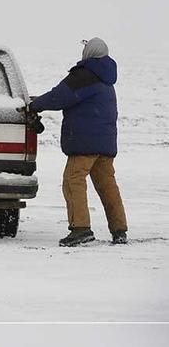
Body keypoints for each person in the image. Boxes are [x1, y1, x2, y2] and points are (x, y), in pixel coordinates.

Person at [31, 37, 128, 246]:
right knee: (107, 185)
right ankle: (119, 230)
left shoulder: (84, 75)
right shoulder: (106, 78)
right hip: (105, 143)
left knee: (72, 180)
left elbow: (59, 96)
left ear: (89, 52)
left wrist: (35, 105)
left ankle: (80, 229)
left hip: (85, 142)